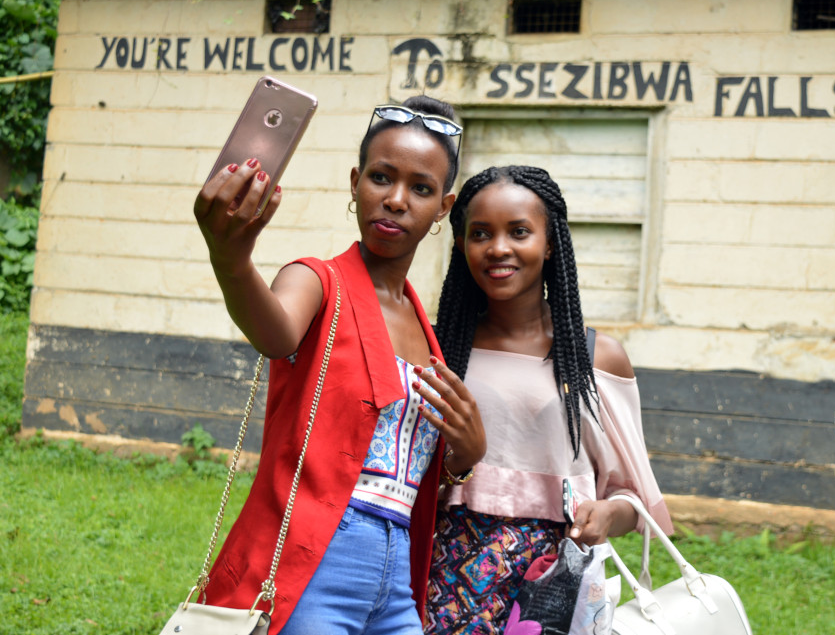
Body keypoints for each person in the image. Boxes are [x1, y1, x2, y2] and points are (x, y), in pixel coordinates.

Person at [192, 96, 486, 635]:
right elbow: (274, 332)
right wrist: (231, 261)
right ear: (356, 182)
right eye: (381, 177)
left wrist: (467, 453)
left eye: (421, 188)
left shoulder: (426, 331)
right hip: (312, 566)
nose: (395, 199)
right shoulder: (315, 281)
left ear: (443, 208)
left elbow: (409, 471)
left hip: (398, 581)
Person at [424, 165, 673, 634]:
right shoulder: (435, 350)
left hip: (554, 585)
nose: (498, 248)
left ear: (551, 242)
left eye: (519, 232)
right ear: (461, 244)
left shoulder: (596, 358)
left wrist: (606, 513)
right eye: (481, 233)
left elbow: (631, 499)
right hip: (442, 583)